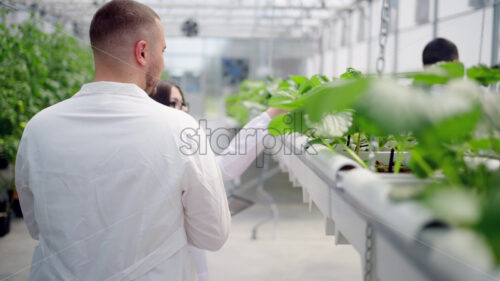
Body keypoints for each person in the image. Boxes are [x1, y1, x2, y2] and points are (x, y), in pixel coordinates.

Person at [15, 1, 230, 280]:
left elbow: (35, 225)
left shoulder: (38, 128)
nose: (163, 63)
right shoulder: (180, 128)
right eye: (162, 51)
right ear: (142, 52)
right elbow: (213, 235)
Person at [151, 81, 287, 281]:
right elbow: (223, 167)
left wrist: (268, 118)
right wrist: (268, 117)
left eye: (184, 102)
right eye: (175, 102)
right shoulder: (164, 151)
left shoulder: (176, 144)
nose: (184, 108)